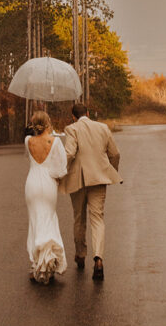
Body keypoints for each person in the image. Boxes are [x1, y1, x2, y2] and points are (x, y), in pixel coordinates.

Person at [60, 102, 121, 281]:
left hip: (78, 180)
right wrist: (110, 172)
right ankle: (99, 259)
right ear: (88, 113)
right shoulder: (103, 128)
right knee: (97, 218)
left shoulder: (72, 129)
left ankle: (80, 254)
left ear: (73, 116)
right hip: (99, 178)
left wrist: (59, 171)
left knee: (79, 218)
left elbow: (69, 153)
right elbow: (115, 154)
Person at [24, 110, 68, 284]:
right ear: (48, 123)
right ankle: (47, 264)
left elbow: (29, 158)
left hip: (32, 183)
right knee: (48, 219)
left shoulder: (28, 141)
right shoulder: (55, 142)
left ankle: (37, 264)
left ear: (33, 125)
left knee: (35, 221)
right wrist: (56, 177)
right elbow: (61, 169)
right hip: (48, 184)